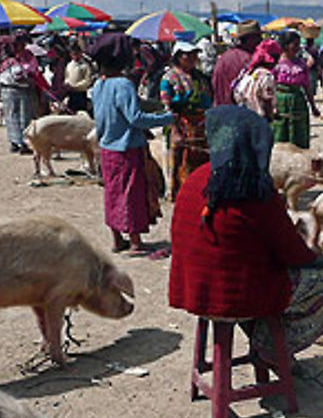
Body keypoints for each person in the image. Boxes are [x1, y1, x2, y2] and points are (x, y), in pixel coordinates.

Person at [168, 104, 323, 357]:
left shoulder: (196, 177)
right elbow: (292, 253)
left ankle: (264, 345)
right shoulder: (254, 188)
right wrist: (320, 260)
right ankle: (271, 349)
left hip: (193, 287)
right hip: (236, 293)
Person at [90, 33, 173, 255]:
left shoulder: (99, 85)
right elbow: (135, 118)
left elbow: (108, 114)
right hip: (127, 149)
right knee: (131, 193)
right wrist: (167, 118)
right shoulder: (124, 84)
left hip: (107, 147)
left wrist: (155, 105)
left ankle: (117, 239)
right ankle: (136, 241)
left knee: (112, 193)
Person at [161, 41, 212, 200]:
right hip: (180, 125)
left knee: (201, 159)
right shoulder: (169, 78)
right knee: (180, 160)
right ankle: (180, 194)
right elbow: (166, 106)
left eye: (194, 54)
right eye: (187, 55)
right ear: (178, 57)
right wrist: (174, 130)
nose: (192, 58)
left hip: (200, 125)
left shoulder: (201, 77)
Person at [0, 33, 46, 154]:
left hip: (25, 88)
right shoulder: (6, 60)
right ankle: (15, 141)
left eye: (22, 44)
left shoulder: (28, 56)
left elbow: (32, 69)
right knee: (12, 115)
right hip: (10, 89)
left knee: (26, 115)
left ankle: (25, 142)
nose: (20, 47)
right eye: (18, 44)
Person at [272, 30, 319, 148]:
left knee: (299, 135)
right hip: (280, 102)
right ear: (286, 45)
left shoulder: (301, 64)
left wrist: (313, 106)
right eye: (295, 44)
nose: (298, 48)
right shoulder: (276, 64)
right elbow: (270, 86)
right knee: (280, 134)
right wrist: (272, 106)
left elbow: (307, 86)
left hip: (298, 102)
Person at [211, 20, 262, 105]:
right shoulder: (250, 60)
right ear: (250, 39)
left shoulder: (224, 57)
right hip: (241, 110)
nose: (261, 40)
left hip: (221, 108)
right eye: (258, 37)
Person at [233, 38, 281, 119]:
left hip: (246, 116)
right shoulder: (266, 76)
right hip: (260, 119)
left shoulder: (248, 73)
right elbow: (268, 100)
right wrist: (273, 114)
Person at [63, 42, 94, 113]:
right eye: (73, 54)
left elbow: (87, 81)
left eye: (77, 53)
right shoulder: (69, 65)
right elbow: (66, 76)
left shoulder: (85, 66)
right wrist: (67, 84)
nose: (75, 56)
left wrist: (76, 86)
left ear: (80, 53)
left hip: (81, 93)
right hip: (71, 93)